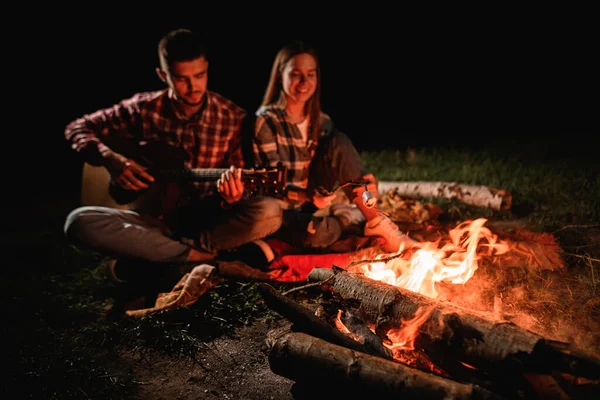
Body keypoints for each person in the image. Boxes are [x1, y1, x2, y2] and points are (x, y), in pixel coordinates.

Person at [63, 29, 282, 302]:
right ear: (163, 76)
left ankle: (160, 261)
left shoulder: (231, 118)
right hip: (150, 221)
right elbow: (78, 127)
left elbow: (237, 187)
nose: (193, 87)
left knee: (270, 211)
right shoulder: (143, 108)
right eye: (181, 79)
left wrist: (233, 196)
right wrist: (111, 158)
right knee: (78, 222)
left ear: (207, 69)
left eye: (199, 76)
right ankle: (207, 263)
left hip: (205, 225)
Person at [253, 40, 419, 253]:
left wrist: (366, 184)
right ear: (280, 76)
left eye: (311, 74)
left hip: (315, 203)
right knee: (318, 233)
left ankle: (379, 225)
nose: (304, 82)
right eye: (295, 74)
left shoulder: (321, 122)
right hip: (281, 209)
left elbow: (338, 168)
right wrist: (309, 197)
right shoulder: (265, 122)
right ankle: (347, 216)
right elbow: (268, 185)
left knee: (339, 142)